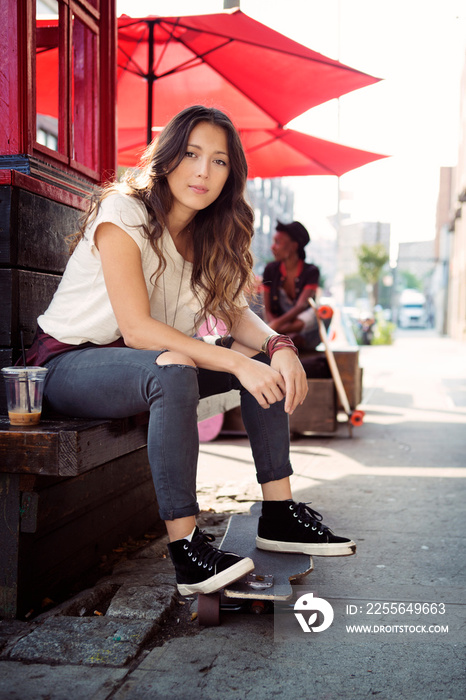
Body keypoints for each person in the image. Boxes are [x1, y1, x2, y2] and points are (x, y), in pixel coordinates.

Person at [26, 105, 355, 597]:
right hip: (67, 366)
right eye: (192, 154)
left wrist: (277, 345)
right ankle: (186, 551)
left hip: (147, 366)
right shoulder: (124, 211)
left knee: (259, 365)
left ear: (231, 174)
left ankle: (279, 513)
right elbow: (137, 329)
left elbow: (234, 312)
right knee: (177, 370)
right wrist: (234, 360)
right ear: (167, 157)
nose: (203, 171)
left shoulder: (207, 235)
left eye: (219, 161)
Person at [262, 220, 323, 351]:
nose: (272, 247)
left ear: (294, 246)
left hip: (300, 328)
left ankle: (282, 336)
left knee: (317, 311)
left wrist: (275, 326)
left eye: (277, 242)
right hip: (276, 327)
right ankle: (287, 337)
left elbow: (301, 306)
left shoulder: (311, 271)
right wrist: (275, 326)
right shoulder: (270, 270)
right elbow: (267, 309)